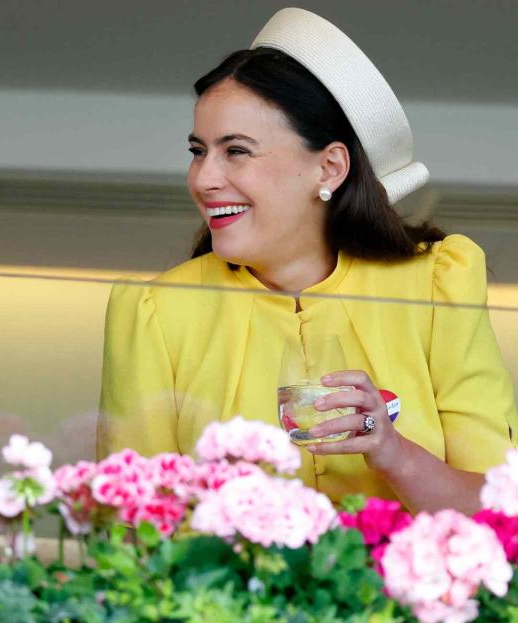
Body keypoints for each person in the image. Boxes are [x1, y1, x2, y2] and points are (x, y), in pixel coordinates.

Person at [98, 8, 517, 514]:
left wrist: (394, 453)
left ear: (330, 166)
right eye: (198, 150)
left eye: (236, 151)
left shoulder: (436, 284)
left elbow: (501, 514)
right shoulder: (157, 313)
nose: (204, 179)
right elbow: (131, 529)